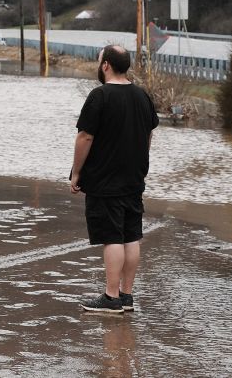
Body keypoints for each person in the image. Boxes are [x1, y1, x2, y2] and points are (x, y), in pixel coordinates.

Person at [70, 44, 158, 314]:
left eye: (100, 62)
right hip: (133, 177)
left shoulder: (100, 96)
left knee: (112, 237)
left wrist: (76, 172)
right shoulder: (142, 96)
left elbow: (85, 137)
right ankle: (127, 295)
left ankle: (111, 298)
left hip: (105, 179)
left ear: (106, 65)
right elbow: (148, 135)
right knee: (131, 235)